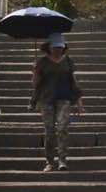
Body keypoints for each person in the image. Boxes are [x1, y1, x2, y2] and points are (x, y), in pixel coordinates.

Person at [30, 30, 81, 169]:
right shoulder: (42, 62)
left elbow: (73, 80)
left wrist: (78, 99)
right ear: (49, 47)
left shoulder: (68, 61)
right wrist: (35, 70)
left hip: (64, 98)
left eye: (60, 47)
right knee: (49, 129)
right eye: (55, 47)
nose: (58, 50)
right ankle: (49, 160)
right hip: (46, 99)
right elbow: (35, 84)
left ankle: (62, 159)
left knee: (62, 127)